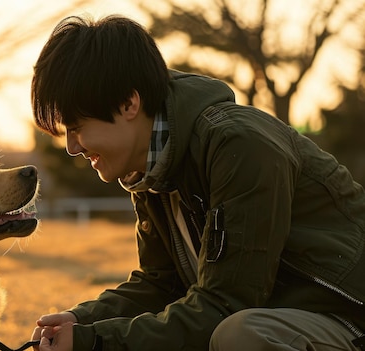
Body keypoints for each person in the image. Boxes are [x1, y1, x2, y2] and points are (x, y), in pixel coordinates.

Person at [29, 14, 365, 351]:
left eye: (76, 127)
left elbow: (225, 305)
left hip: (348, 317)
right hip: (287, 317)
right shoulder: (151, 169)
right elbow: (163, 285)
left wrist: (94, 342)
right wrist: (81, 320)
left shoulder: (240, 146)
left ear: (128, 103)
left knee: (240, 336)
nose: (72, 147)